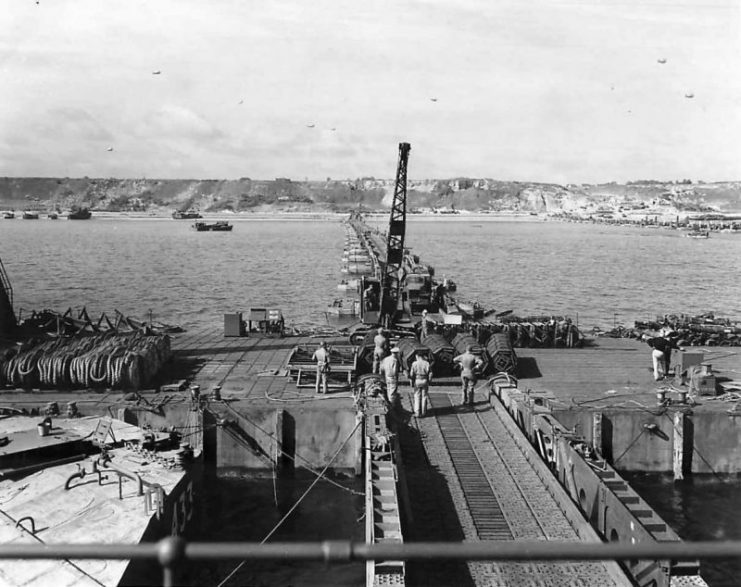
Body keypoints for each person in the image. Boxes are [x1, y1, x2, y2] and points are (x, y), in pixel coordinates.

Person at [409, 350, 432, 417]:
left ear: (417, 356)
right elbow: (430, 373)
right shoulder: (427, 363)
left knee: (417, 396)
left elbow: (411, 374)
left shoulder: (414, 364)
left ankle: (417, 412)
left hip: (417, 380)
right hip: (424, 379)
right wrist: (429, 380)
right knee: (424, 396)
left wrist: (411, 382)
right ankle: (424, 411)